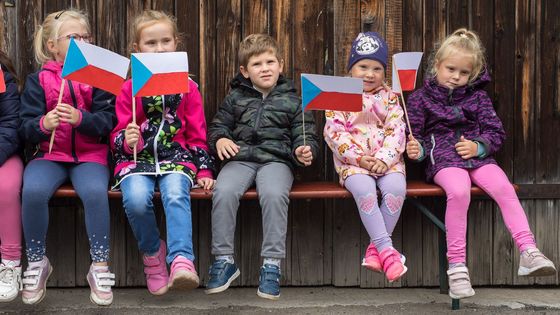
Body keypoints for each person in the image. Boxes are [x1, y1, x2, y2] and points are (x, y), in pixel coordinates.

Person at [406, 28, 556, 299]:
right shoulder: (420, 100)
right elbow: (415, 138)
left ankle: (529, 251)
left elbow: (495, 132)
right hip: (443, 161)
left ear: (472, 74)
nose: (456, 76)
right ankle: (457, 267)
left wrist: (478, 146)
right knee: (459, 191)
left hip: (479, 159)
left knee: (504, 187)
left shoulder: (478, 98)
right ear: (436, 66)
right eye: (451, 69)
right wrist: (416, 151)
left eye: (464, 73)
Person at [205, 34, 318, 300]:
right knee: (223, 191)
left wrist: (304, 150)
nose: (265, 68)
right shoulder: (235, 98)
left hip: (277, 160)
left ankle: (271, 264)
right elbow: (218, 126)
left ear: (280, 64)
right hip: (241, 158)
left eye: (270, 62)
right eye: (257, 64)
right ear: (245, 71)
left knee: (274, 195)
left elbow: (306, 135)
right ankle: (223, 259)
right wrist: (220, 139)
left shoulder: (294, 100)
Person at [111, 10, 215, 296]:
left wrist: (204, 170)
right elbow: (116, 133)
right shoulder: (128, 89)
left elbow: (197, 133)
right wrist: (127, 139)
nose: (159, 48)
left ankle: (182, 260)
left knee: (175, 194)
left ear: (176, 43)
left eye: (165, 41)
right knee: (134, 199)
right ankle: (153, 255)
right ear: (137, 49)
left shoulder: (188, 88)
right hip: (135, 161)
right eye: (151, 43)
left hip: (176, 159)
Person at [19, 9, 116, 305]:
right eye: (74, 37)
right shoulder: (39, 81)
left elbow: (108, 121)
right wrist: (42, 125)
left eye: (86, 37)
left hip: (89, 156)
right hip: (49, 156)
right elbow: (25, 127)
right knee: (33, 191)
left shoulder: (96, 78)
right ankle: (37, 262)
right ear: (52, 46)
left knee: (95, 193)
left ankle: (99, 265)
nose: (82, 41)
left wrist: (80, 119)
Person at [324, 32, 407, 282]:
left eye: (377, 68)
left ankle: (375, 250)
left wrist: (385, 158)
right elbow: (334, 133)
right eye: (362, 66)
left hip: (388, 162)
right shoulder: (339, 95)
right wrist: (360, 159)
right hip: (354, 165)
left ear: (384, 72)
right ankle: (388, 252)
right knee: (365, 191)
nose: (369, 74)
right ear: (351, 68)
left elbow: (397, 130)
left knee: (395, 189)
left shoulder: (391, 97)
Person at [0, 51, 23, 303]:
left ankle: (10, 264)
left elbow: (10, 125)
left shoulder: (2, 79)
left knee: (5, 187)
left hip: (4, 154)